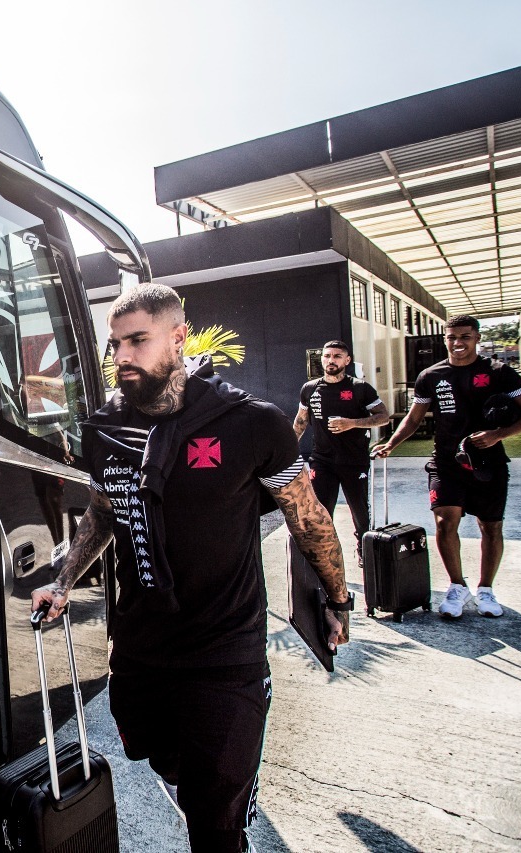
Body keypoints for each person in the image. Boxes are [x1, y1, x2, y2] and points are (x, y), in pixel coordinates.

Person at [31, 284, 350, 853]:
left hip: (224, 650)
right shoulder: (105, 429)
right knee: (162, 759)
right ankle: (208, 789)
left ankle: (225, 810)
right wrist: (63, 580)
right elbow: (105, 510)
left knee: (214, 823)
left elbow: (308, 519)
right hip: (141, 649)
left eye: (137, 340)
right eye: (115, 344)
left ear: (178, 337)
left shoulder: (250, 422)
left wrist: (337, 599)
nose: (122, 356)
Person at [372, 315, 521, 619]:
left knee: (490, 527)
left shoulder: (498, 372)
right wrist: (391, 444)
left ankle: (485, 589)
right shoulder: (431, 376)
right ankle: (457, 586)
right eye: (451, 337)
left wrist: (498, 434)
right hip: (446, 462)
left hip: (488, 462)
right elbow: (414, 417)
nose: (457, 343)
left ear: (477, 338)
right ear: (445, 339)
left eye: (465, 336)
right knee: (444, 523)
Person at [293, 341, 390, 567]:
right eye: (327, 356)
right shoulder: (310, 388)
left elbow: (383, 417)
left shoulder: (360, 388)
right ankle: (325, 555)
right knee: (322, 511)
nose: (331, 360)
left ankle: (364, 551)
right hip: (322, 461)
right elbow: (301, 421)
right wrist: (287, 449)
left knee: (359, 512)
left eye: (337, 356)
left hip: (354, 461)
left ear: (347, 360)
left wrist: (352, 423)